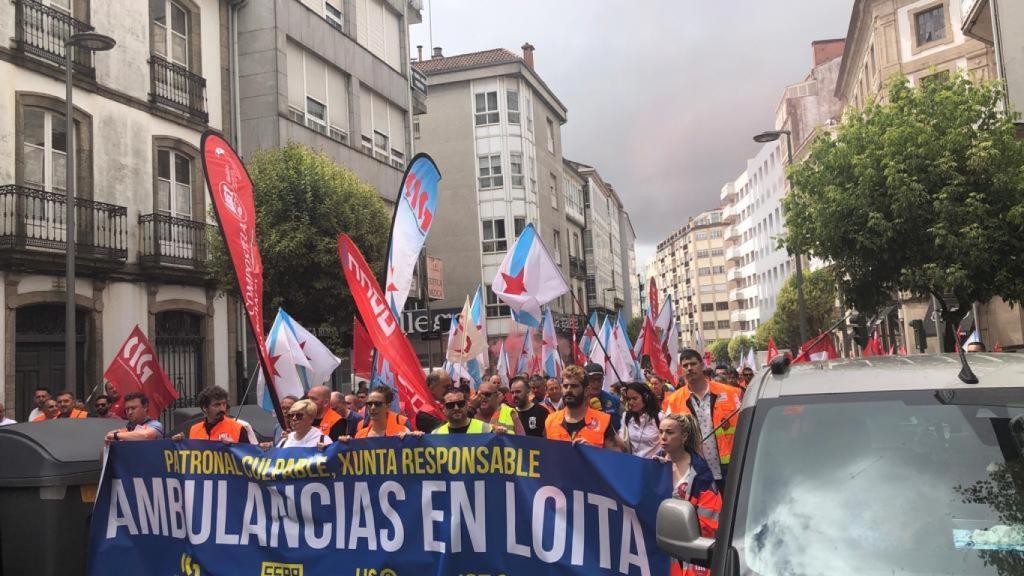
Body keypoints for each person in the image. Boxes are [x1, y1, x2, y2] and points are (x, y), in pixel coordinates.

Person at [665, 348, 741, 489]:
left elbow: (745, 427)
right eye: (685, 365)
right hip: (696, 471)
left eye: (693, 364)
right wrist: (666, 458)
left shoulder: (731, 393)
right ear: (681, 369)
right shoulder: (674, 399)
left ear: (702, 365)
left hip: (730, 468)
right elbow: (667, 433)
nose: (689, 368)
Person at [659, 412, 722, 576]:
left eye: (670, 432)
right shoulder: (652, 465)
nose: (663, 437)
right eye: (661, 432)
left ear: (684, 436)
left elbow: (711, 520)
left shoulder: (702, 473)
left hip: (688, 554)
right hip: (658, 551)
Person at [546, 365, 624, 450]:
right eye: (565, 386)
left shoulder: (603, 421)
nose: (568, 390)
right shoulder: (550, 421)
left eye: (574, 386)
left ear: (586, 391)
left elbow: (617, 457)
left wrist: (592, 452)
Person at [175, 386, 253, 443]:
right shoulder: (194, 430)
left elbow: (248, 457)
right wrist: (179, 444)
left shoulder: (238, 428)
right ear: (205, 408)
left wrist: (234, 447)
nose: (222, 409)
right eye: (217, 405)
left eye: (224, 404)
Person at [345, 389, 419, 439]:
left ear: (388, 406)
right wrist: (346, 445)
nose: (373, 407)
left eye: (378, 404)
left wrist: (417, 439)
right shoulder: (360, 435)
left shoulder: (402, 431)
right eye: (369, 404)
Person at [621, 382, 663, 458]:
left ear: (646, 397)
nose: (631, 402)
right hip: (635, 465)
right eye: (628, 399)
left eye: (634, 398)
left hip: (655, 466)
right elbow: (622, 442)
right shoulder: (626, 417)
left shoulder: (659, 417)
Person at [433, 388, 498, 434]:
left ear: (467, 405)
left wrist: (502, 436)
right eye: (450, 405)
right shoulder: (436, 435)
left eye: (460, 403)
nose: (456, 408)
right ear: (443, 409)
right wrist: (422, 440)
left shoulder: (486, 430)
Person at [584, 363, 622, 432]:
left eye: (599, 379)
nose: (596, 383)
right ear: (585, 381)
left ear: (603, 379)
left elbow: (623, 427)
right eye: (592, 380)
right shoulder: (577, 402)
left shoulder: (615, 400)